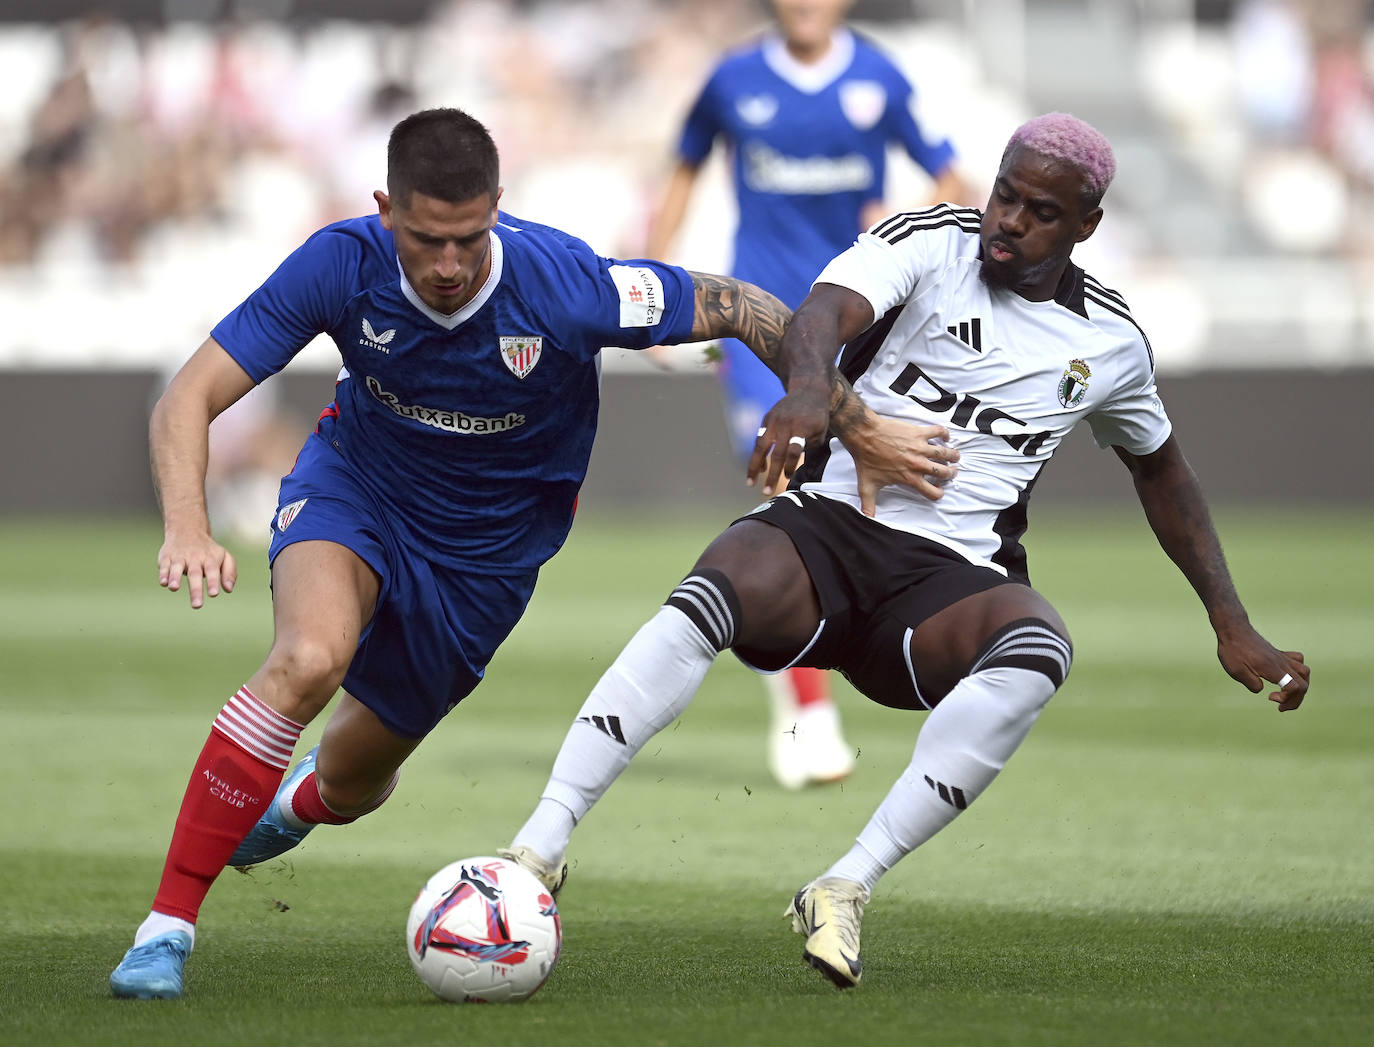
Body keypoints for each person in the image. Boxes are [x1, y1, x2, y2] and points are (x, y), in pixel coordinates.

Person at [107, 107, 958, 1000]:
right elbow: (189, 396)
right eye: (427, 240)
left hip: (485, 565)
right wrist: (186, 523)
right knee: (308, 657)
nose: (447, 265)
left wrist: (854, 426)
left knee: (354, 781)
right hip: (357, 491)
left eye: (468, 240)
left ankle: (290, 806)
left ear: (497, 209)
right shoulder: (340, 262)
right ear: (385, 208)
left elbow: (746, 308)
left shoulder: (565, 284)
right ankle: (165, 929)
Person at [505, 112, 1311, 989]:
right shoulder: (930, 241)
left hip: (951, 586)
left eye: (1040, 210)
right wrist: (811, 389)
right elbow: (821, 310)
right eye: (1005, 194)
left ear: (1086, 226)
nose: (1009, 219)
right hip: (830, 535)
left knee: (1041, 646)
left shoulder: (1109, 342)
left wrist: (1231, 622)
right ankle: (540, 844)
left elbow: (1165, 474)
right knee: (722, 578)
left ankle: (844, 883)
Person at [646, 0, 971, 790]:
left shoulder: (879, 78)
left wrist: (958, 248)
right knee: (784, 481)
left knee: (856, 502)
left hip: (856, 319)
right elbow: (683, 169)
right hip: (760, 323)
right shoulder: (732, 79)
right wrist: (655, 281)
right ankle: (804, 719)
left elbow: (949, 177)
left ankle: (853, 665)